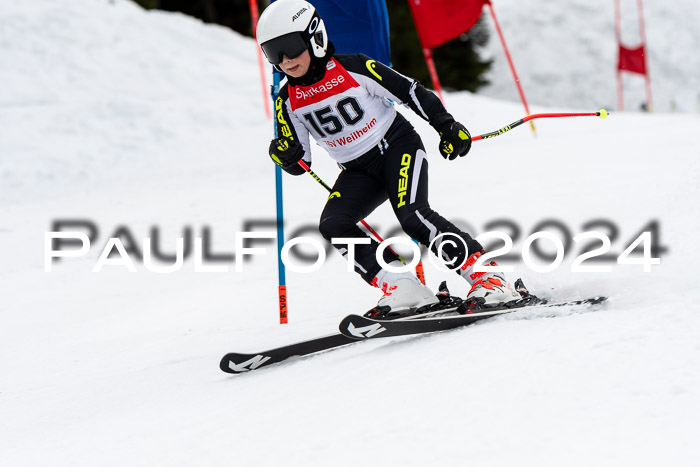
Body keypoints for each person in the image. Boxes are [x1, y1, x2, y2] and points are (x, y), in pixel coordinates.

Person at [256, 0, 520, 316]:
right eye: (273, 53)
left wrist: (446, 127)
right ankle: (402, 286)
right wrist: (285, 155)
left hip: (397, 147)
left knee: (412, 215)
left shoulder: (353, 67)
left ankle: (487, 277)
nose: (285, 60)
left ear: (314, 37)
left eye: (290, 47)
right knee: (334, 224)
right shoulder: (287, 100)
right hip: (357, 170)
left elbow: (410, 92)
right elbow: (301, 164)